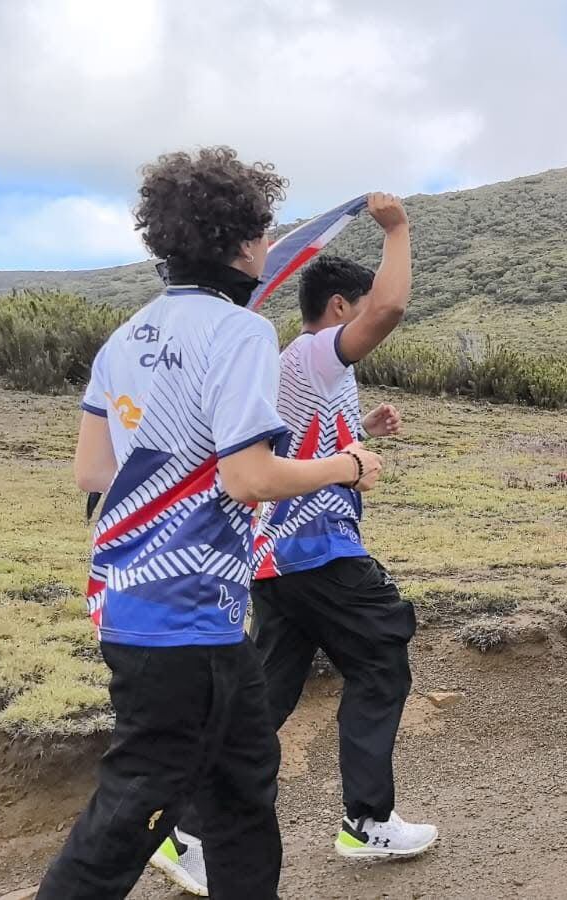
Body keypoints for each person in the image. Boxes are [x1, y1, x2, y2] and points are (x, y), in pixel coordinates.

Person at [40, 148, 384, 900]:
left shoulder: (125, 335)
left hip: (147, 604)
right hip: (187, 613)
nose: (268, 248)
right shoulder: (240, 333)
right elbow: (249, 477)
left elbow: (93, 474)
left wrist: (172, 466)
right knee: (132, 807)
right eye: (262, 233)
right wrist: (346, 466)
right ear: (239, 241)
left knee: (242, 786)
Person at [150, 198, 431, 896]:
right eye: (357, 310)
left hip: (274, 560)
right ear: (338, 307)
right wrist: (397, 229)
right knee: (382, 657)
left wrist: (361, 428)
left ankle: (185, 829)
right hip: (318, 552)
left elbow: (291, 440)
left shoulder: (294, 368)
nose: (367, 322)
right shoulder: (312, 352)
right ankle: (366, 821)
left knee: (264, 703)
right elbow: (389, 311)